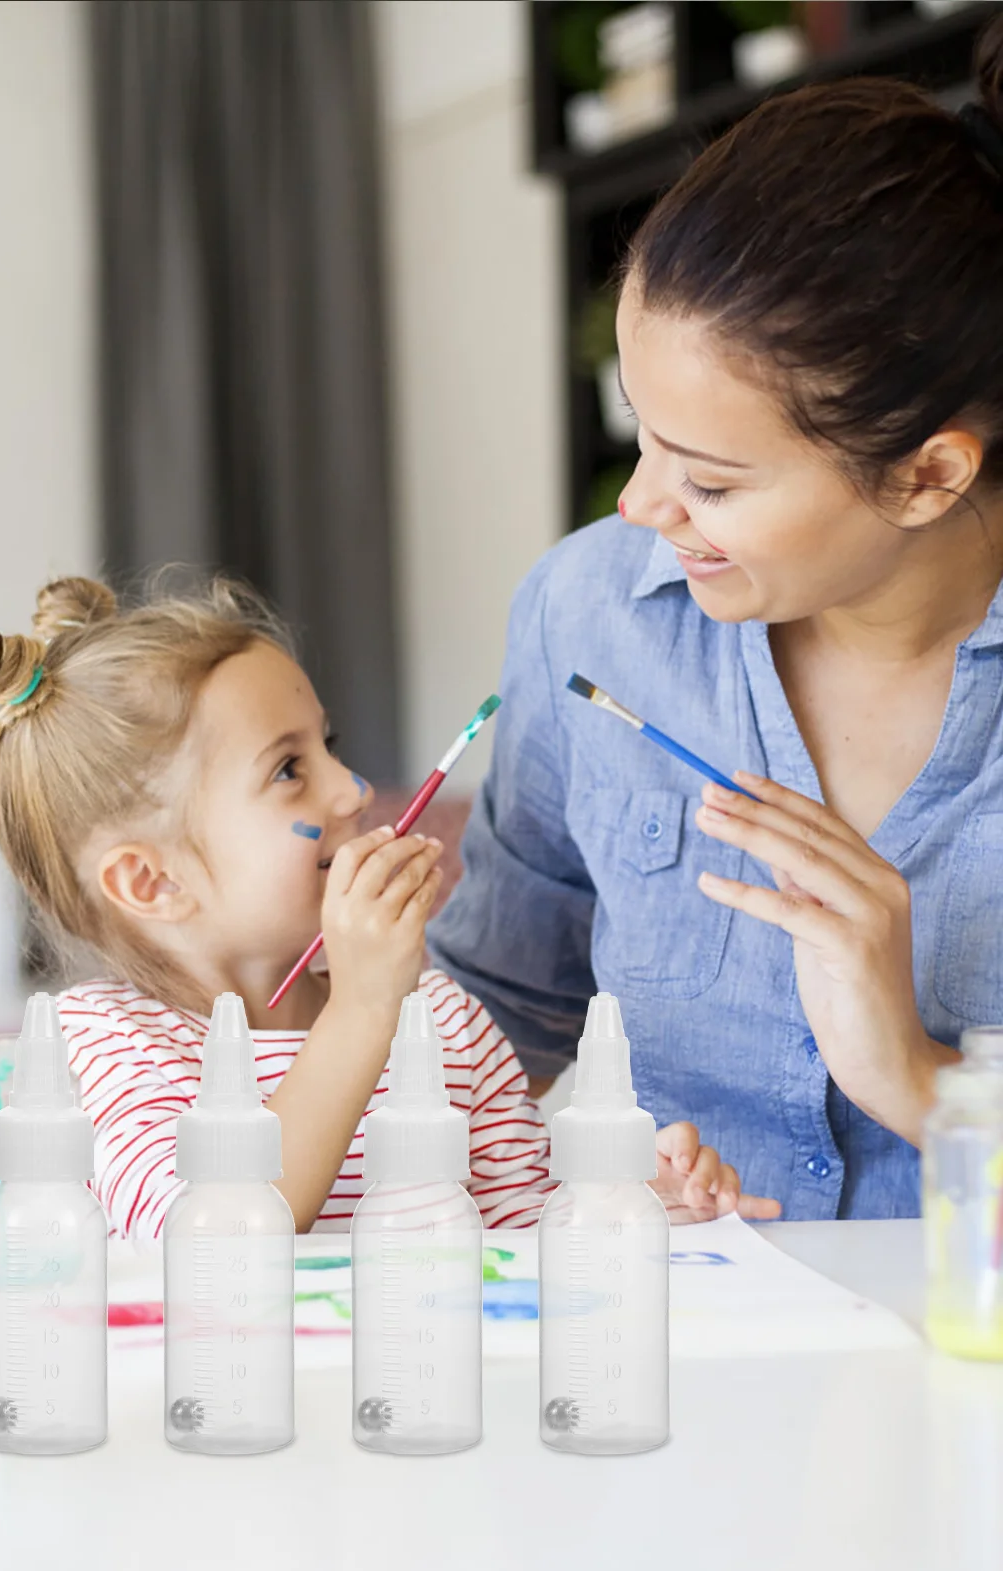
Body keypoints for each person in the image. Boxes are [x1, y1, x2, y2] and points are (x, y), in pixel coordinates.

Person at [429, 22, 1003, 1221]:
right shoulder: (589, 613)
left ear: (927, 476)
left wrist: (913, 1077)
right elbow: (491, 1016)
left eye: (711, 481)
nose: (640, 506)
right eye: (642, 432)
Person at [0, 576, 771, 1240]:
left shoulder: (441, 1021)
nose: (351, 788)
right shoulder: (97, 1049)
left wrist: (638, 1200)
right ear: (152, 883)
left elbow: (526, 1232)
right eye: (289, 769)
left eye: (326, 747)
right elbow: (212, 1231)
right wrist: (366, 1008)